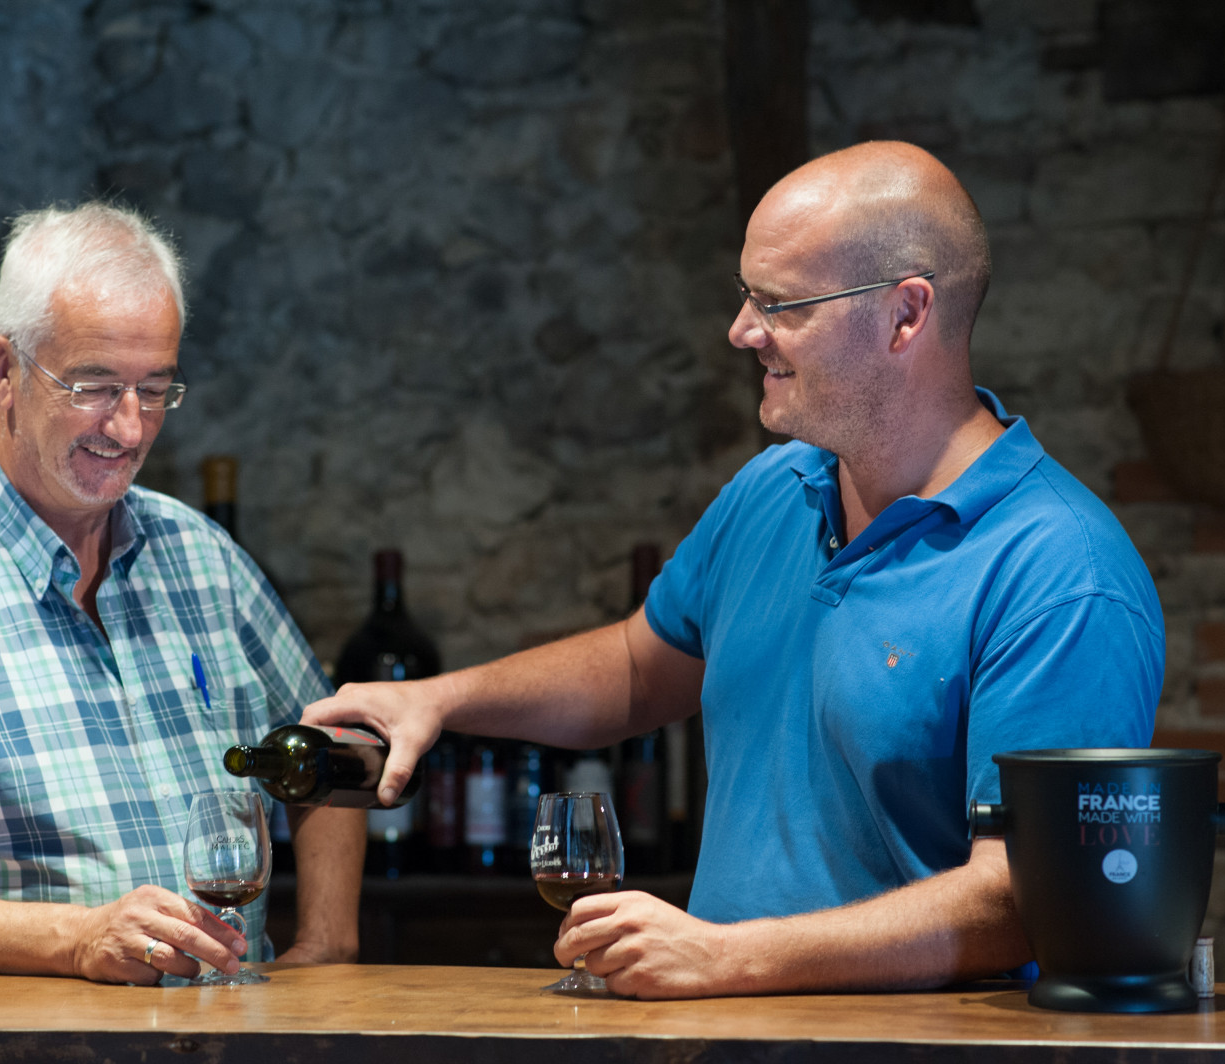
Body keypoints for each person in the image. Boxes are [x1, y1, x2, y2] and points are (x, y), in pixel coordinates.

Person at [305, 141, 1164, 999]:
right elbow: (644, 667)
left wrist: (729, 958)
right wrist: (440, 701)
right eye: (746, 295)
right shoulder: (776, 487)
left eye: (781, 303)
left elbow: (1023, 897)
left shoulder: (1061, 572)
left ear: (906, 316)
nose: (742, 331)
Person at [0, 203, 363, 984]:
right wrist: (77, 939)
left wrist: (325, 947)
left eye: (155, 390)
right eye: (94, 386)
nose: (127, 428)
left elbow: (330, 754)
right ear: (4, 370)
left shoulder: (202, 560)